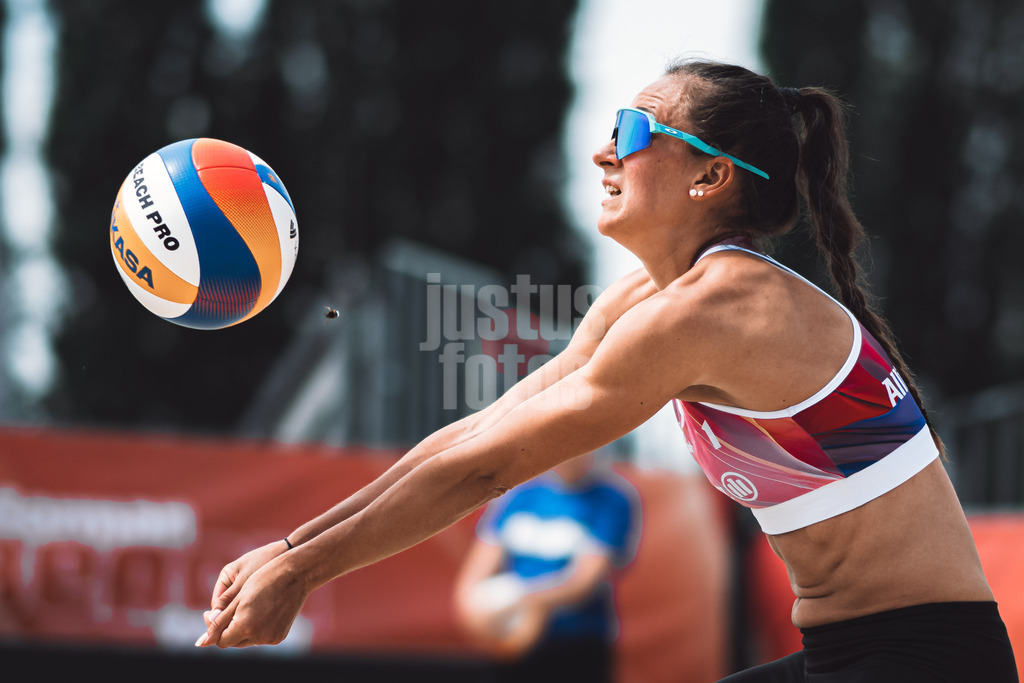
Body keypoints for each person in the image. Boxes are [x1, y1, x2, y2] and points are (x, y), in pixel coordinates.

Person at [196, 59, 1018, 681]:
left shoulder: (718, 311)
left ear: (709, 176)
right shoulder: (649, 299)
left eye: (631, 131)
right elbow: (478, 431)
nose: (602, 151)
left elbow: (486, 468)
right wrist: (290, 548)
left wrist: (304, 573)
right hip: (849, 651)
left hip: (927, 659)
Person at [452, 451, 638, 682]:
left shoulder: (613, 498)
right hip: (511, 645)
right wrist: (478, 616)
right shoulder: (517, 494)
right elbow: (475, 573)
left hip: (576, 646)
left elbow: (583, 583)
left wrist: (525, 604)